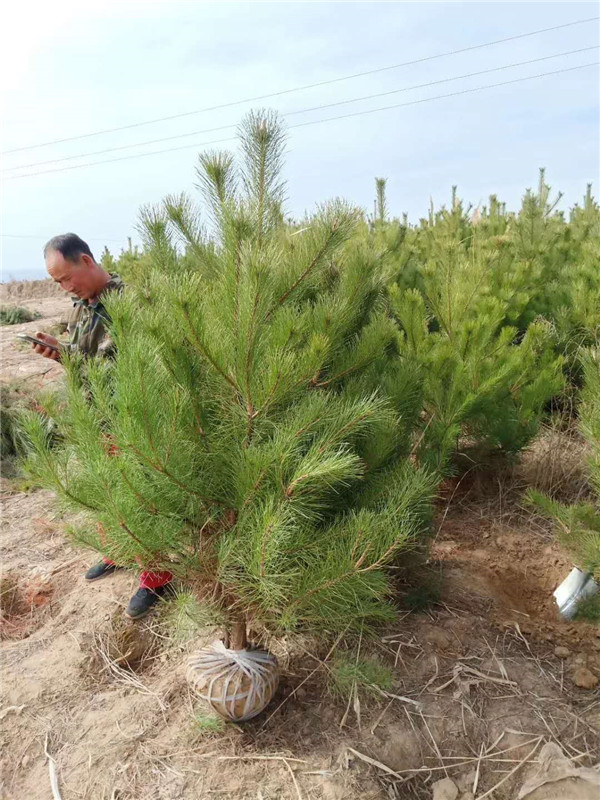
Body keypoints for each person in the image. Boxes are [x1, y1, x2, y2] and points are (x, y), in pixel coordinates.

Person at [33, 233, 173, 618]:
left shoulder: (127, 303)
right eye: (57, 282)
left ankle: (157, 577)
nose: (64, 288)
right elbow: (83, 356)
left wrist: (74, 362)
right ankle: (118, 552)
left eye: (66, 278)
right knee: (107, 490)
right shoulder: (81, 305)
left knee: (137, 494)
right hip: (95, 418)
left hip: (127, 419)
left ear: (86, 260)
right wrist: (59, 353)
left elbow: (133, 368)